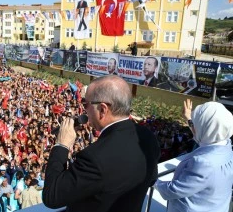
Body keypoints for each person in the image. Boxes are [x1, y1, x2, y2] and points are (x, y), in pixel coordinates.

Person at [43, 75, 160, 212]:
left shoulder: (93, 158)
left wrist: (61, 145)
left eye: (86, 104)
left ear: (103, 109)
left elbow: (51, 196)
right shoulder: (147, 137)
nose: (84, 110)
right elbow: (151, 179)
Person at [155, 99, 233, 212]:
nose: (194, 128)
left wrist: (153, 181)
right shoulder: (226, 145)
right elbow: (203, 132)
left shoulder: (204, 163)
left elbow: (174, 190)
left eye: (196, 124)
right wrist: (188, 118)